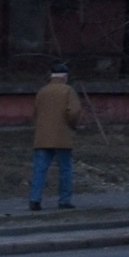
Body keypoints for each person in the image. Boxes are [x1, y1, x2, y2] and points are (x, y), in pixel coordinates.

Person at [27, 62, 94, 211]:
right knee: (65, 169)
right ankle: (64, 201)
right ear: (65, 76)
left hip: (43, 136)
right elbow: (74, 111)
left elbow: (35, 112)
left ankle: (34, 199)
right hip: (62, 136)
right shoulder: (68, 91)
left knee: (39, 169)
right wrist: (72, 125)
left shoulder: (42, 91)